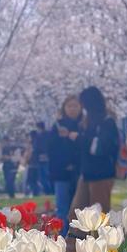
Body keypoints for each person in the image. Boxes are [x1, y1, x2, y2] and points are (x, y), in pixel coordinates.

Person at [68, 86, 120, 219]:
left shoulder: (106, 122)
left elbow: (102, 147)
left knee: (98, 216)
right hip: (86, 173)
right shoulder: (86, 122)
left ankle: (99, 239)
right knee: (76, 214)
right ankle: (75, 239)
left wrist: (79, 138)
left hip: (101, 174)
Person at [48, 95, 82, 234]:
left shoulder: (84, 124)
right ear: (64, 108)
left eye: (75, 106)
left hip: (80, 173)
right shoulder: (57, 126)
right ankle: (62, 240)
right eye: (69, 106)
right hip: (61, 173)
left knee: (80, 209)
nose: (72, 109)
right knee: (62, 209)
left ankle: (79, 241)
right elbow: (50, 149)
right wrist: (60, 138)